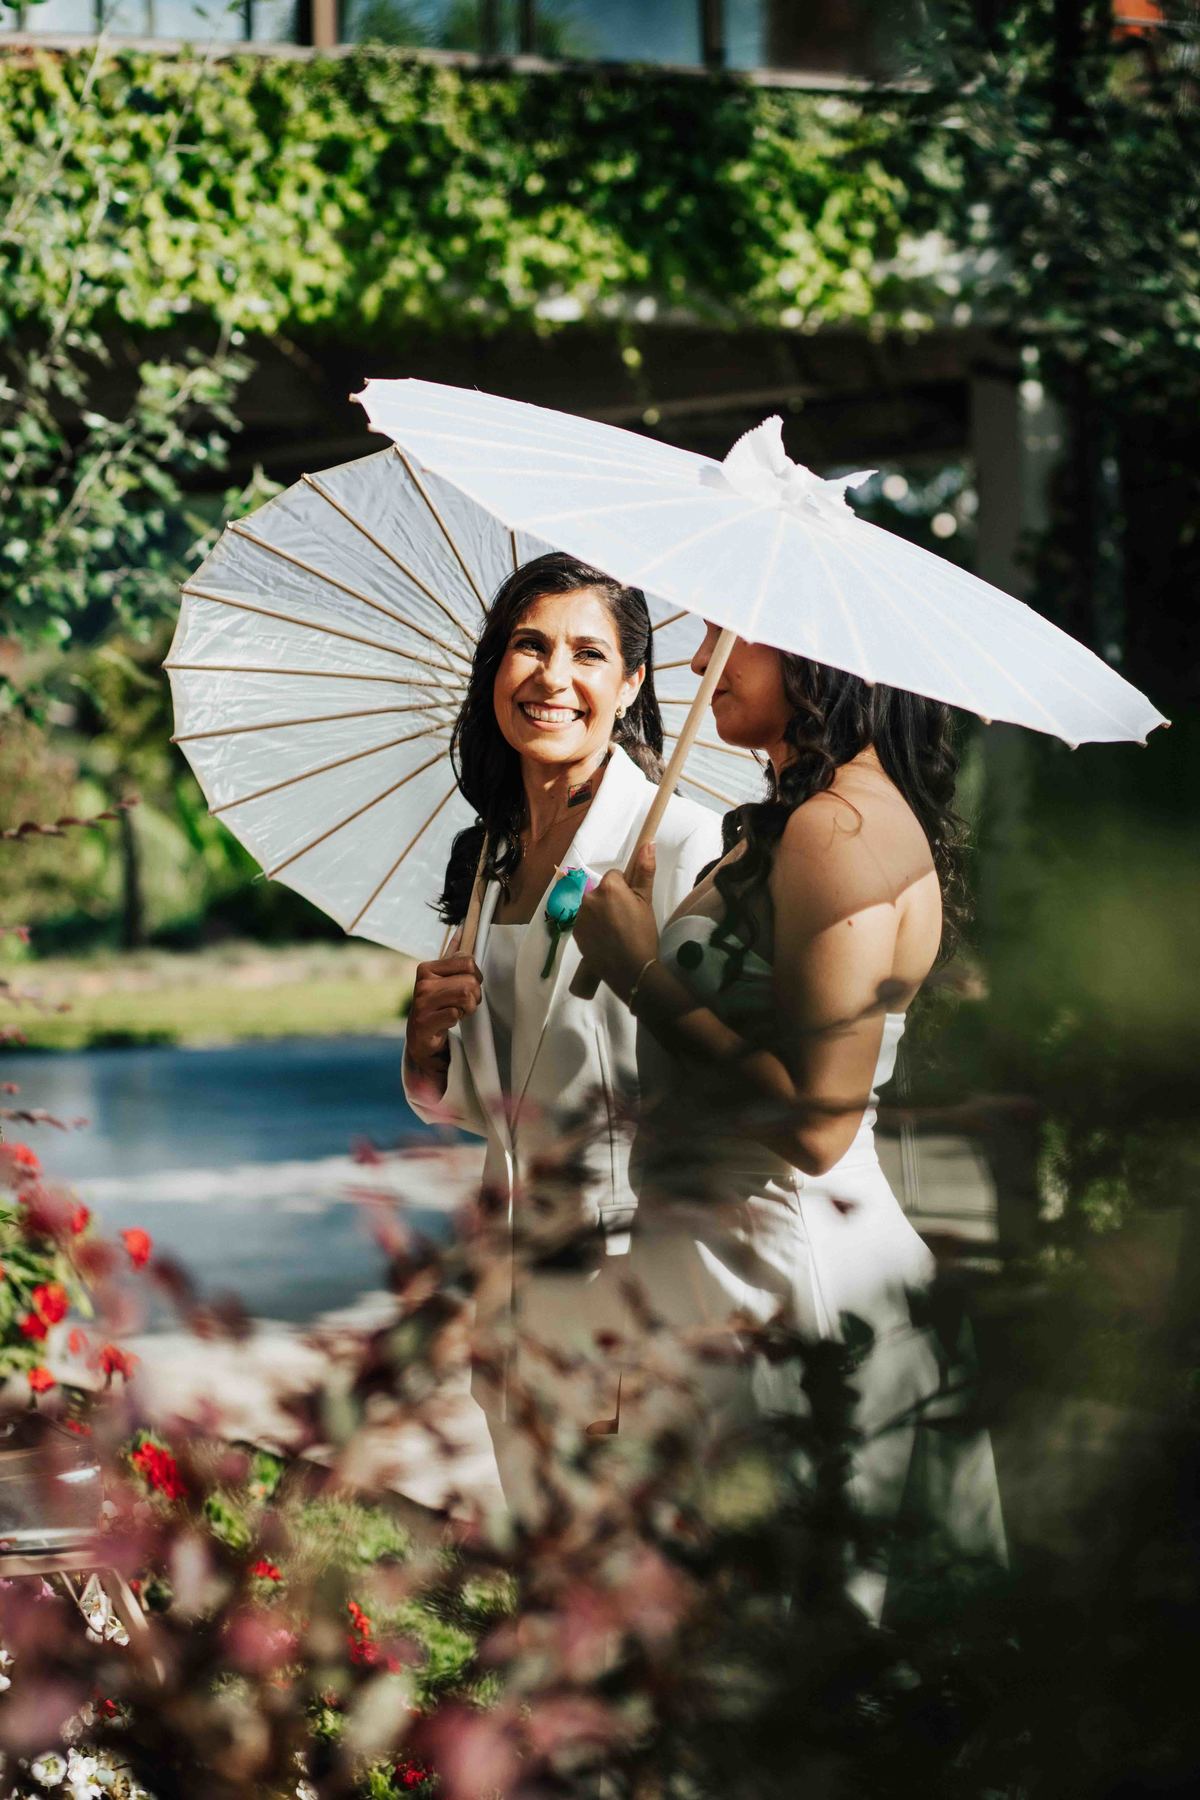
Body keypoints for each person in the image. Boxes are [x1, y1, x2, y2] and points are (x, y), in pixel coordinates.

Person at [573, 623, 1006, 1620]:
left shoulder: (838, 832)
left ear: (817, 652)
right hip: (715, 1272)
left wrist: (644, 974)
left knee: (787, 1639)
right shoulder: (794, 822)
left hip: (787, 1282)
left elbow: (819, 1125)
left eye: (729, 640)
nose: (697, 664)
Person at [402, 553, 722, 1515]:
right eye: (529, 645)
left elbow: (720, 1077)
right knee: (546, 1576)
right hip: (509, 1290)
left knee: (624, 1570)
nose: (552, 677)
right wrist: (425, 1048)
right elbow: (482, 1106)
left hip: (624, 1286)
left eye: (588, 654)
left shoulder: (681, 846)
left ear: (630, 686)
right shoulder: (488, 858)